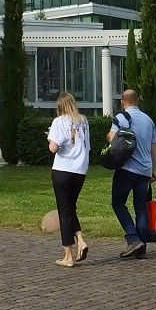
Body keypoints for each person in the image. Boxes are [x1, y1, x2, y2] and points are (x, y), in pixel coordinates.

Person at [109, 89, 156, 259]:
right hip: (145, 170)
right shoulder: (149, 120)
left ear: (123, 102)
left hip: (127, 169)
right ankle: (141, 247)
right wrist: (153, 170)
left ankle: (133, 238)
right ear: (138, 100)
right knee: (141, 208)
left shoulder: (122, 118)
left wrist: (109, 134)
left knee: (118, 203)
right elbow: (153, 147)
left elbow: (112, 139)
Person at [48, 92, 91, 268]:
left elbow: (53, 148)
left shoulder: (59, 121)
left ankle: (68, 256)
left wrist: (49, 138)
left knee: (64, 211)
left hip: (63, 169)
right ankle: (80, 239)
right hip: (80, 170)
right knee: (70, 207)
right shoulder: (83, 121)